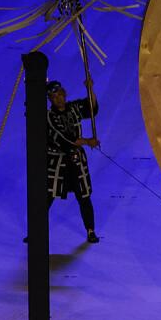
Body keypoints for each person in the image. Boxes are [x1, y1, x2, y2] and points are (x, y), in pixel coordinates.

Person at [44, 77, 101, 242]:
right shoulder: (49, 117)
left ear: (64, 93)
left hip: (76, 161)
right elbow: (65, 138)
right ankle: (35, 230)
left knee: (84, 196)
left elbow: (91, 109)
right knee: (47, 196)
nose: (58, 99)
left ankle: (90, 230)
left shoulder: (73, 108)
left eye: (60, 95)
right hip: (58, 162)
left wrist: (90, 89)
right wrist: (87, 141)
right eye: (53, 97)